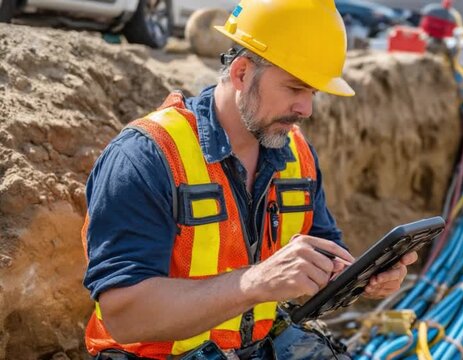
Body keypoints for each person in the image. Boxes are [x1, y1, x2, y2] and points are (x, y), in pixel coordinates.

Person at [81, 0, 418, 359]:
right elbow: (125, 316)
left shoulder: (295, 155)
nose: (307, 110)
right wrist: (255, 283)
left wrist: (359, 278)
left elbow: (323, 252)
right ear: (242, 73)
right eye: (294, 89)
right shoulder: (147, 157)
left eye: (313, 93)